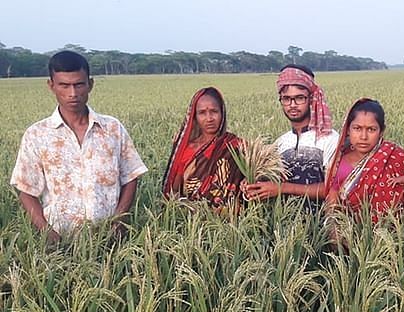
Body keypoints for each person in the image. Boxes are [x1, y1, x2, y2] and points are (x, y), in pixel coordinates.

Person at [10, 50, 147, 243]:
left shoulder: (112, 129)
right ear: (51, 86)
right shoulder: (37, 135)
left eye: (79, 84)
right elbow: (26, 190)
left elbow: (131, 176)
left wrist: (119, 220)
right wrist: (45, 230)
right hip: (59, 241)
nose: (72, 94)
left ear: (90, 84)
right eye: (64, 86)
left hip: (110, 238)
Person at [243, 64, 339, 210]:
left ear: (312, 99)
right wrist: (252, 183)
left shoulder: (329, 138)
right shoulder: (280, 143)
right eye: (286, 99)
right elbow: (270, 181)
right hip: (284, 226)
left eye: (299, 98)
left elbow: (334, 188)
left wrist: (282, 188)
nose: (292, 105)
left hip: (322, 227)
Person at [325, 98, 404, 217]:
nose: (363, 136)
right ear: (348, 130)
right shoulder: (338, 162)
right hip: (350, 229)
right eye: (357, 128)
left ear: (381, 131)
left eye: (371, 129)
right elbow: (332, 202)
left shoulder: (395, 156)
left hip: (392, 231)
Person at [162, 87, 245, 210]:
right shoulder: (186, 149)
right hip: (191, 218)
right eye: (202, 113)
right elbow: (174, 191)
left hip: (230, 221)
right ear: (194, 117)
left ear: (222, 113)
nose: (209, 118)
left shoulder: (236, 145)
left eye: (214, 111)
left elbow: (256, 174)